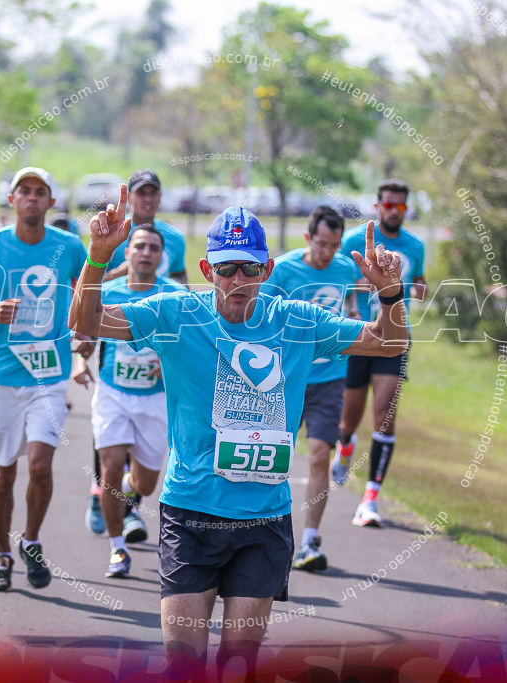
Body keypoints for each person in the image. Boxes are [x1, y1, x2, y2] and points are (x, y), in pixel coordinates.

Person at [69, 186, 408, 679]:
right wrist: (98, 258)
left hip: (262, 523)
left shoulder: (296, 319)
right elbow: (88, 321)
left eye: (249, 267)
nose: (238, 279)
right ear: (207, 271)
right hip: (191, 516)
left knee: (237, 665)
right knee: (183, 664)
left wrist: (390, 293)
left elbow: (388, 341)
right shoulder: (176, 312)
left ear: (267, 269)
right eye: (226, 268)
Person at [0, 167, 87, 592]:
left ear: (51, 202)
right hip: (5, 374)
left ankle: (31, 541)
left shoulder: (69, 247)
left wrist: (87, 335)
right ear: (11, 201)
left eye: (39, 192)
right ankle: (1, 553)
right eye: (23, 191)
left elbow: (90, 292)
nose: (31, 198)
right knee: (4, 474)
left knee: (41, 465)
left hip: (49, 374)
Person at [74, 224, 184, 578]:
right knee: (109, 468)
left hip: (155, 400)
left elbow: (189, 348)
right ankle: (118, 550)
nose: (146, 253)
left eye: (153, 247)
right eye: (140, 246)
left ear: (161, 257)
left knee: (146, 484)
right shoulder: (108, 292)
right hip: (113, 393)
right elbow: (84, 335)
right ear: (127, 253)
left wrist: (170, 367)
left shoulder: (177, 296)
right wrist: (79, 362)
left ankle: (124, 491)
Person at [84, 168, 189, 536]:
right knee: (111, 455)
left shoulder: (174, 240)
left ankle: (127, 498)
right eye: (140, 193)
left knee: (145, 479)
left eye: (152, 193)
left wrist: (175, 353)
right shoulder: (113, 229)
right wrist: (80, 357)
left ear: (158, 198)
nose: (146, 199)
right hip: (115, 334)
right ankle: (108, 505)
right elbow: (91, 294)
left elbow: (182, 289)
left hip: (155, 380)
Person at [267, 205, 360, 572]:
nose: (327, 253)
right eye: (321, 244)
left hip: (329, 377)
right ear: (308, 238)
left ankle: (309, 541)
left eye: (334, 246)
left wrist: (352, 318)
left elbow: (349, 304)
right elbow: (262, 314)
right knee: (272, 458)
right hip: (284, 378)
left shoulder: (345, 269)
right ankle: (264, 531)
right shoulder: (285, 269)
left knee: (321, 454)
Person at [335, 179, 426, 528]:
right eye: (388, 205)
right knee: (348, 419)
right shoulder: (356, 240)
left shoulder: (415, 245)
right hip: (358, 335)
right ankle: (344, 446)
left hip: (394, 336)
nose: (394, 211)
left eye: (400, 206)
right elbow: (337, 279)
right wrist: (355, 294)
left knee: (385, 413)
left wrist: (416, 288)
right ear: (377, 206)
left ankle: (370, 499)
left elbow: (419, 281)